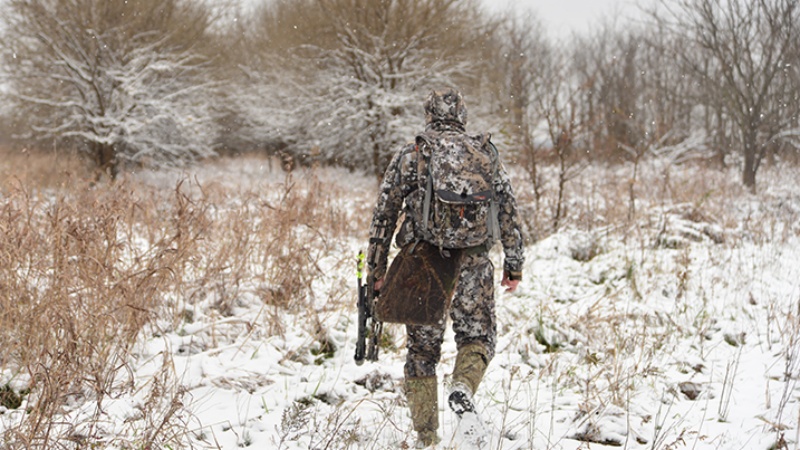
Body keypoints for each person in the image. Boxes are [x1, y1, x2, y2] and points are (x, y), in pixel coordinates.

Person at [366, 88, 525, 448]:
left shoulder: (411, 155)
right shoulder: (485, 154)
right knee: (478, 338)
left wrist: (377, 272)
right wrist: (513, 264)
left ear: (428, 114)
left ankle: (426, 437)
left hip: (425, 263)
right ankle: (462, 387)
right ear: (463, 116)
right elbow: (508, 212)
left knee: (422, 352)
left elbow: (384, 216)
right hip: (475, 261)